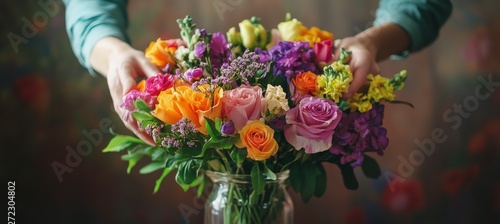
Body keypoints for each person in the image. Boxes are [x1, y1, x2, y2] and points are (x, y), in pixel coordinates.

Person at [62, 0, 452, 144]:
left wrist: (371, 41)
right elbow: (90, 7)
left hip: (323, 57)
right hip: (194, 68)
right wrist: (112, 52)